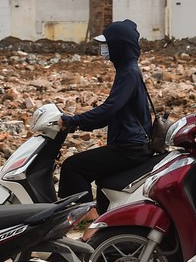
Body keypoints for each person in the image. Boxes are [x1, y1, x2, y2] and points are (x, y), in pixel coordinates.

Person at [57, 19, 154, 213]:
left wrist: (75, 120)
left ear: (119, 46)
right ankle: (100, 223)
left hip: (130, 147)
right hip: (130, 144)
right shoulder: (127, 70)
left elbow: (110, 108)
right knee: (101, 182)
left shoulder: (129, 73)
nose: (103, 49)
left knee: (72, 167)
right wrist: (77, 125)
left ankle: (88, 219)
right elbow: (112, 113)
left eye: (106, 44)